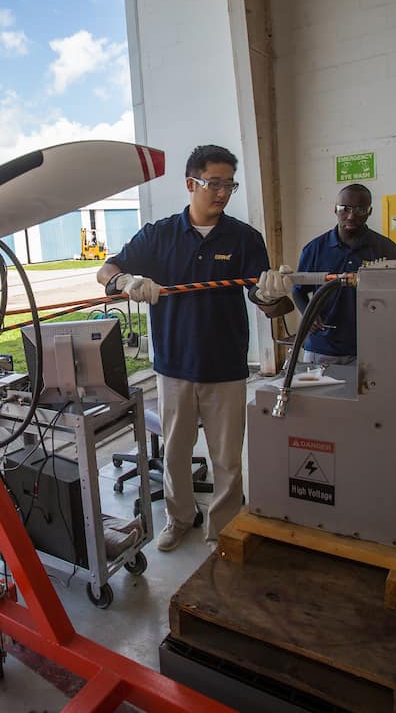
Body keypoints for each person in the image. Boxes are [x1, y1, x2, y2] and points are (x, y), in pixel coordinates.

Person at [97, 144, 290, 551]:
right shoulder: (159, 235)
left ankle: (224, 529)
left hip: (225, 367)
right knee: (175, 453)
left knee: (226, 459)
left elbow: (266, 302)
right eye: (213, 183)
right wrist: (125, 282)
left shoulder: (243, 239)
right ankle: (180, 517)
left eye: (228, 185)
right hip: (173, 366)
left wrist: (273, 293)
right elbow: (106, 270)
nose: (221, 193)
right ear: (191, 183)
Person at [291, 183, 396, 363]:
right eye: (345, 208)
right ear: (335, 209)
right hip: (323, 347)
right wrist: (308, 315)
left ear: (370, 211)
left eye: (360, 209)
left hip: (371, 349)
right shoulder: (315, 249)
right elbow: (298, 290)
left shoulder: (387, 250)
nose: (351, 216)